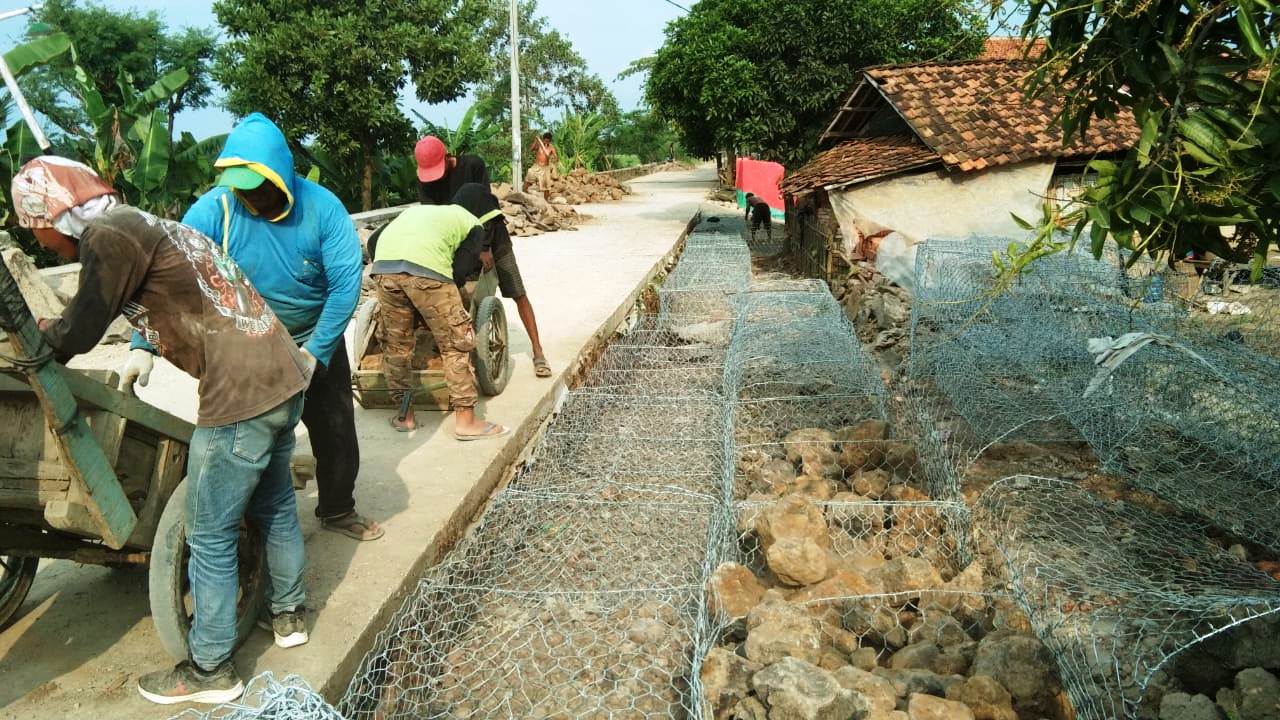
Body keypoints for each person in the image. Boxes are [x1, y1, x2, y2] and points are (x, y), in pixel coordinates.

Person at [11, 156, 311, 705]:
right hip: (282, 374)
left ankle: (211, 669)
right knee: (274, 504)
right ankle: (289, 615)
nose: (44, 244)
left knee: (209, 530)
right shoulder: (142, 222)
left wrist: (37, 338)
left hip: (241, 393)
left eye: (39, 230)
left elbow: (80, 328)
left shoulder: (108, 235)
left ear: (53, 213)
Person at [162, 113, 381, 542]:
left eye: (259, 186)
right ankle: (250, 520)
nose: (250, 196)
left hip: (313, 336)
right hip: (246, 345)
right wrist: (141, 344)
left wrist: (315, 351)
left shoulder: (324, 209)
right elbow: (170, 273)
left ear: (281, 176)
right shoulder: (214, 209)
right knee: (243, 439)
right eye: (241, 187)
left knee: (335, 427)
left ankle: (337, 507)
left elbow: (344, 287)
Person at [370, 202, 509, 439]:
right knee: (455, 344)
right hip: (427, 271)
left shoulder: (415, 213)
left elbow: (373, 241)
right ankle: (466, 422)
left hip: (384, 268)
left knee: (396, 346)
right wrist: (437, 312)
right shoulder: (473, 225)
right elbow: (458, 273)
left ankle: (406, 416)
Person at [418, 163, 551, 377]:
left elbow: (490, 223)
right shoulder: (451, 216)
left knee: (518, 293)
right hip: (474, 244)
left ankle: (538, 351)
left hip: (497, 243)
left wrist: (486, 248)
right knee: (465, 291)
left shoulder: (483, 203)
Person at [415, 135, 491, 205]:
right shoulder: (424, 181)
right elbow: (429, 212)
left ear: (447, 156)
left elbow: (485, 202)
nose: (434, 177)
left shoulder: (473, 166)